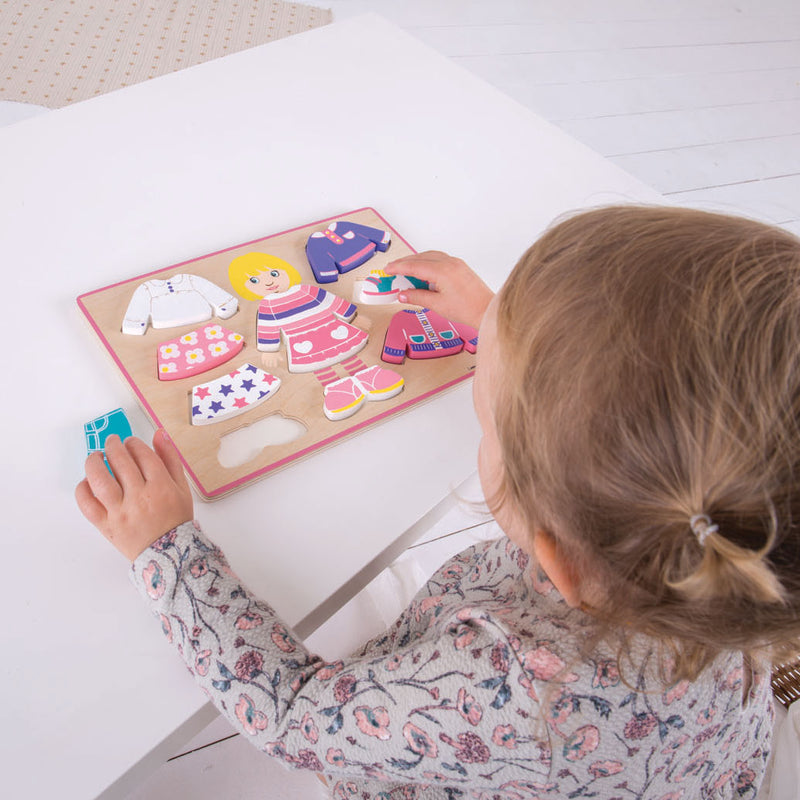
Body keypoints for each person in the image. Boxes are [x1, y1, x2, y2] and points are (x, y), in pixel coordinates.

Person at [75, 206, 800, 799]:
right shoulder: (745, 566)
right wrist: (501, 323)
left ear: (557, 559)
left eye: (491, 421)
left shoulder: (505, 692)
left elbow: (289, 714)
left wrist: (166, 547)